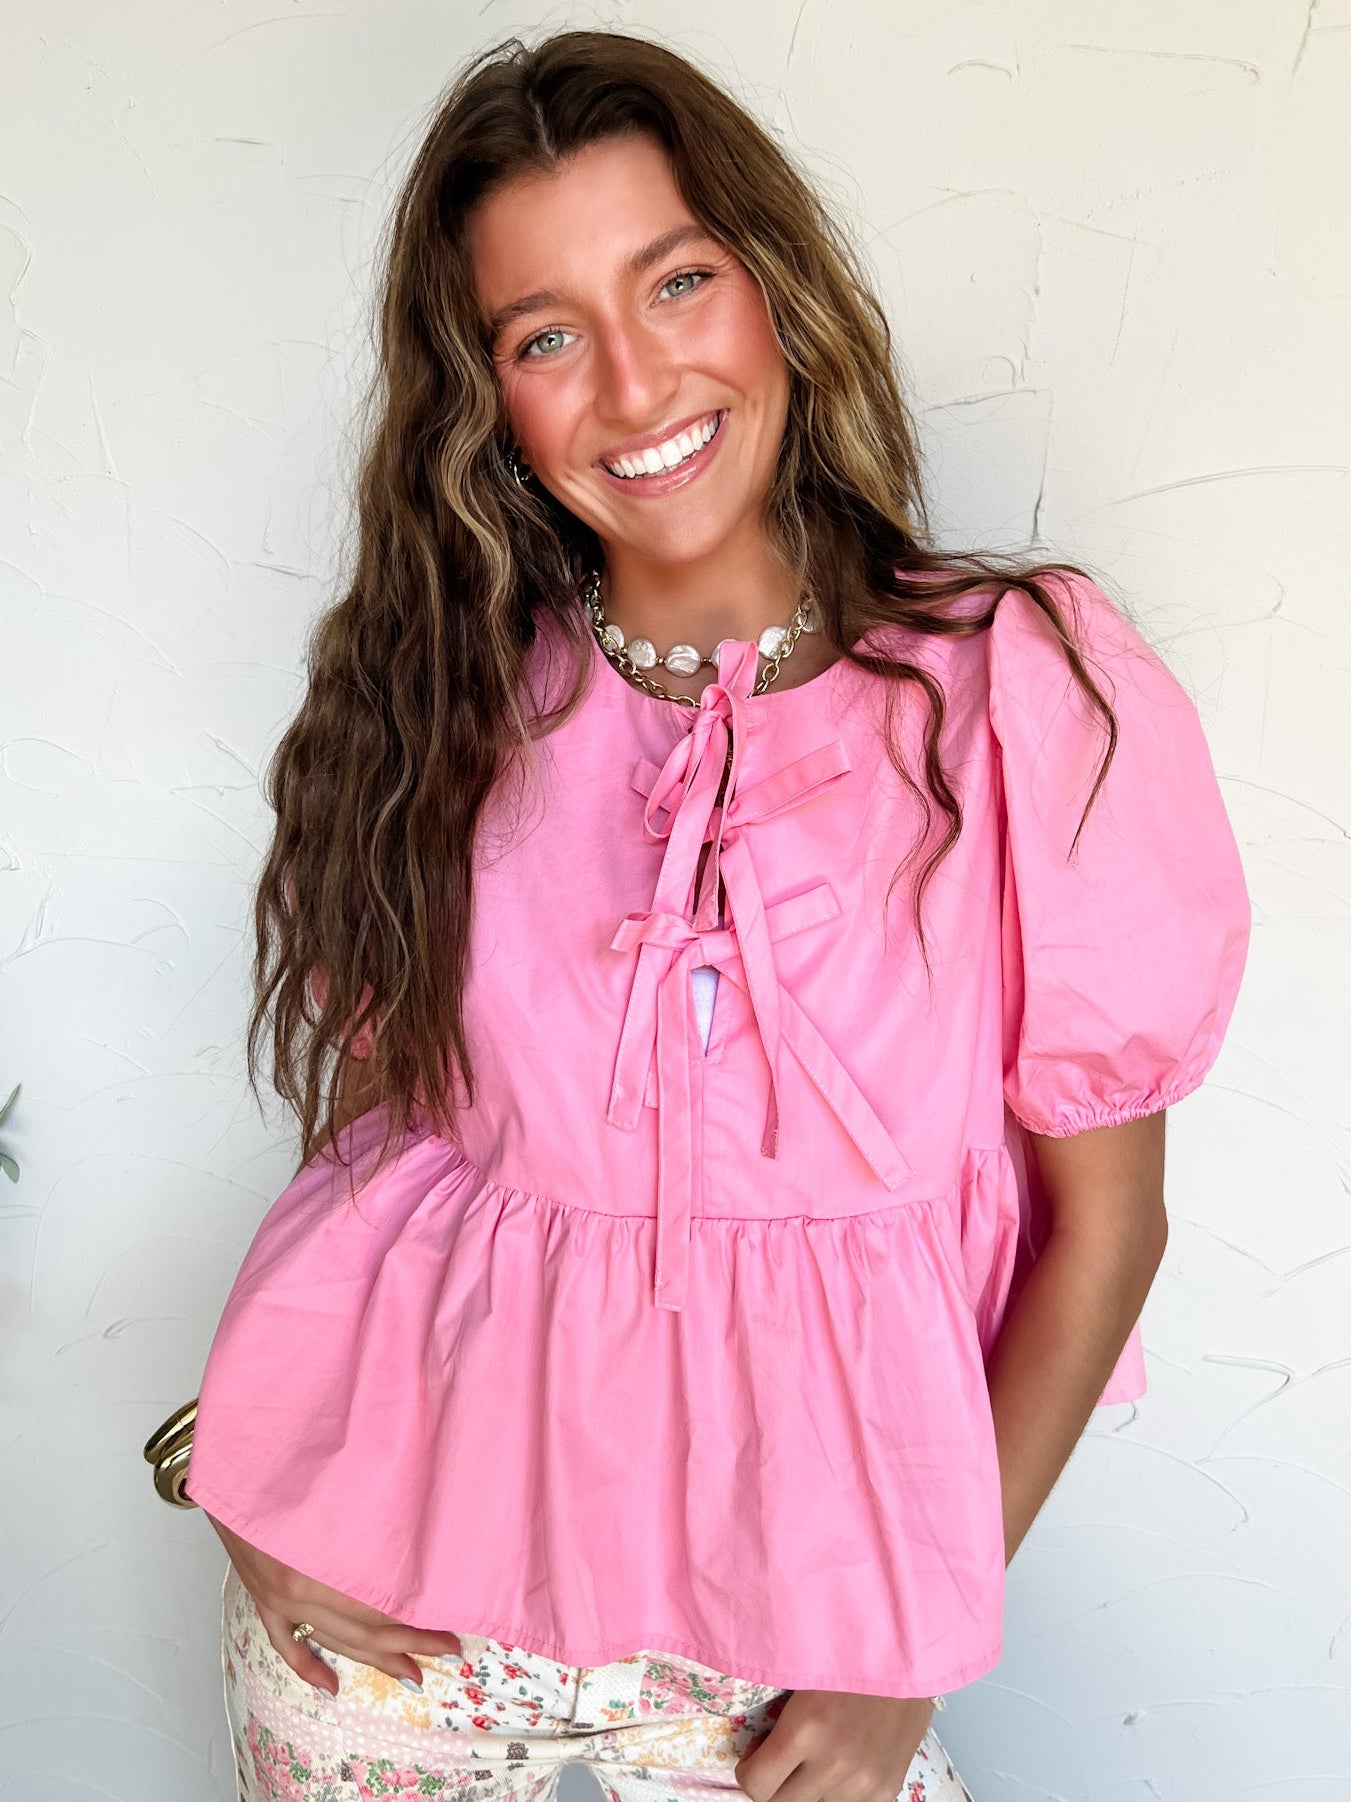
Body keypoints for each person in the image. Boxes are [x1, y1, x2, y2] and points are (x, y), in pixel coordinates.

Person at [169, 26, 1251, 1801]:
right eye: (545, 335)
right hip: (393, 1641)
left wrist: (913, 1645)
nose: (632, 379)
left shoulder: (1016, 689)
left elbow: (1104, 1226)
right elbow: (388, 1169)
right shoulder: (445, 702)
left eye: (675, 280)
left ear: (772, 287)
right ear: (488, 397)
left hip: (790, 1667)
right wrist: (247, 1457)